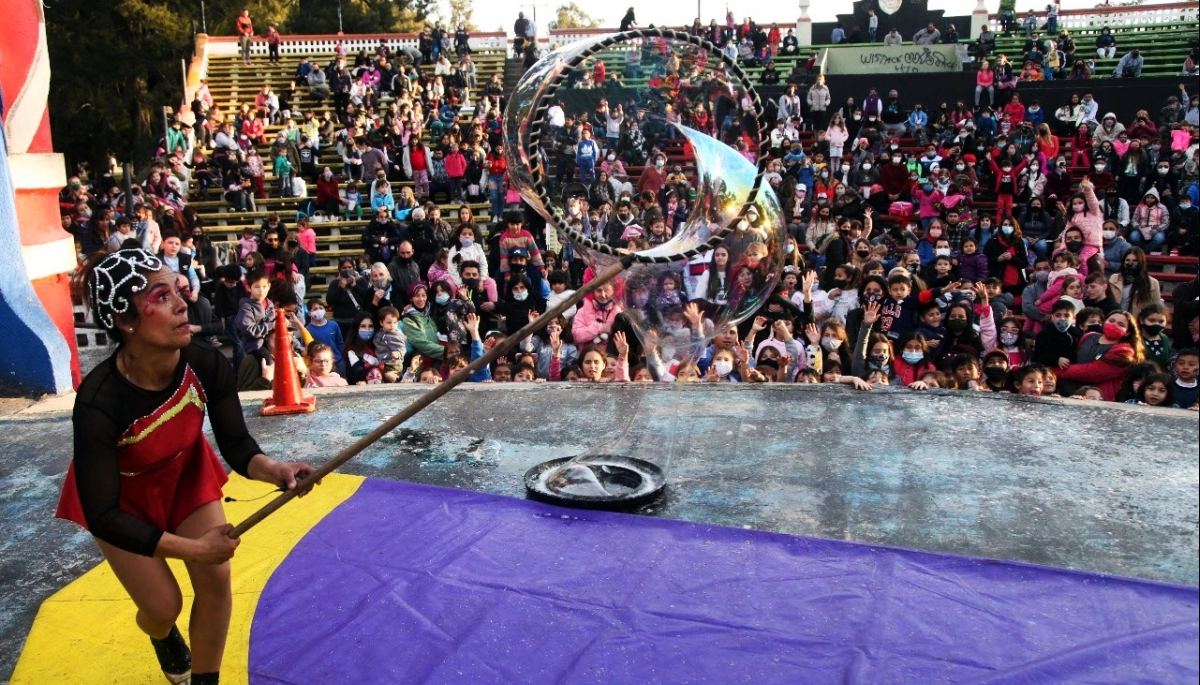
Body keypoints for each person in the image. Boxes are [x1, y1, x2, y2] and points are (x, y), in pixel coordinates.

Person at [57, 249, 316, 685]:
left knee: (215, 579)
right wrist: (193, 548)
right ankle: (160, 634)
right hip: (122, 500)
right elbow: (103, 513)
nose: (183, 303)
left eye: (179, 290)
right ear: (126, 321)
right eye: (161, 296)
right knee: (163, 608)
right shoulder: (99, 402)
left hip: (185, 472)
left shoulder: (207, 362)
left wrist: (275, 470)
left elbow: (234, 442)